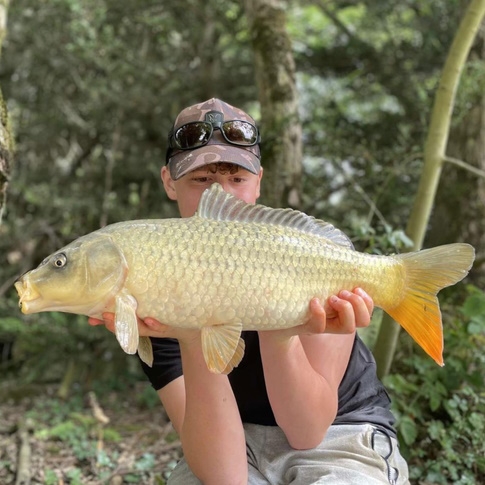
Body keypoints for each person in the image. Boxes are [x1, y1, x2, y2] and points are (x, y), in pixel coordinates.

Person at [90, 98, 410, 485]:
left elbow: (307, 432)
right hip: (232, 440)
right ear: (168, 182)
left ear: (258, 182)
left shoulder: (306, 255)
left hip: (340, 434)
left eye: (236, 179)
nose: (219, 194)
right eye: (202, 180)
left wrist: (280, 329)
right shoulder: (155, 295)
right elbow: (223, 475)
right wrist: (192, 338)